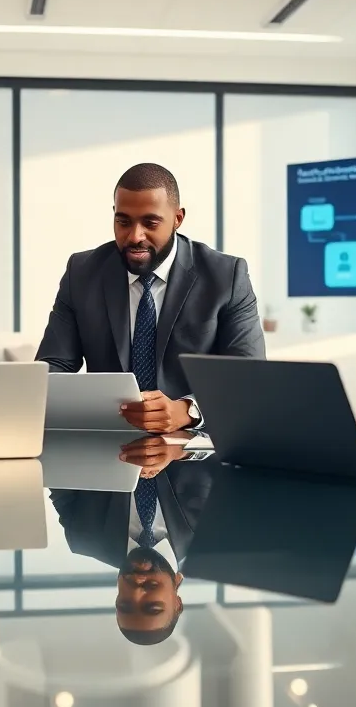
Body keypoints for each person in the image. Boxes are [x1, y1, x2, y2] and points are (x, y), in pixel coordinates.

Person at [35, 162, 266, 434]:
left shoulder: (226, 276)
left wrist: (188, 411)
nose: (135, 236)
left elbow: (249, 380)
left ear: (177, 219)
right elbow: (53, 368)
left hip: (194, 453)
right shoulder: (82, 273)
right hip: (109, 444)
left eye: (150, 222)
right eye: (123, 221)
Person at [49, 434, 212, 645]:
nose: (136, 591)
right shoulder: (212, 530)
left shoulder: (83, 534)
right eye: (152, 606)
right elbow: (232, 443)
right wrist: (180, 448)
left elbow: (56, 460)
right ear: (177, 603)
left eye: (125, 604)